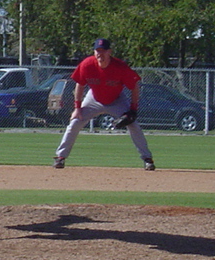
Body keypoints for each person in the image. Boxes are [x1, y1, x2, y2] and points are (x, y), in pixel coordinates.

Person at [53, 39, 155, 171]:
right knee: (74, 122)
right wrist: (77, 108)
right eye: (97, 51)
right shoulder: (87, 64)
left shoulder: (119, 67)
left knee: (133, 125)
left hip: (117, 100)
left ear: (109, 52)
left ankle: (147, 159)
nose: (100, 54)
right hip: (93, 98)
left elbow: (135, 85)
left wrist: (133, 109)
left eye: (103, 51)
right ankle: (60, 157)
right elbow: (80, 84)